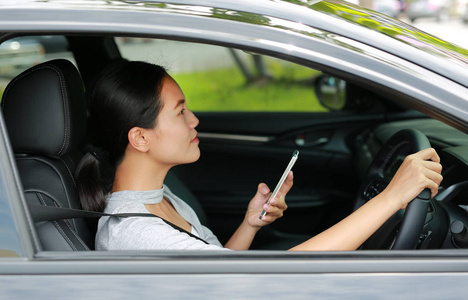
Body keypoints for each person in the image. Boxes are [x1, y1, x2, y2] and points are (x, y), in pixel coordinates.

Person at [76, 61, 443, 251]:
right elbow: (266, 281)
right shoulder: (137, 233)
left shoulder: (157, 198)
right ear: (140, 137)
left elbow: (223, 272)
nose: (195, 120)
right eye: (180, 111)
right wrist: (392, 196)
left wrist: (250, 224)